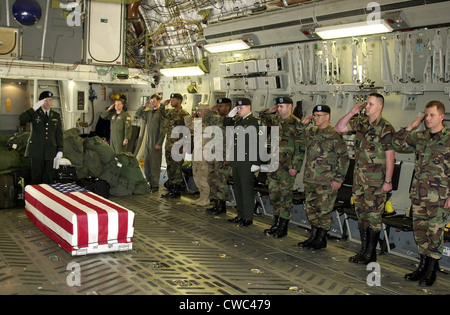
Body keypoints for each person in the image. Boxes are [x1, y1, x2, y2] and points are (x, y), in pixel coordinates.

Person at [392, 100, 450, 287]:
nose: (428, 118)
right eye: (426, 115)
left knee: (435, 233)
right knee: (420, 232)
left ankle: (432, 269)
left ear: (442, 116)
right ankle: (422, 266)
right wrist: (411, 126)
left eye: (432, 115)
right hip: (418, 194)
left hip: (439, 197)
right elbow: (397, 143)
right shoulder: (421, 136)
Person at [335, 93, 395, 264]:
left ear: (379, 107)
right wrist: (351, 113)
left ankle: (371, 253)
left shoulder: (385, 128)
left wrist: (388, 181)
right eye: (366, 104)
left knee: (374, 217)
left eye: (370, 104)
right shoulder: (361, 123)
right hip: (359, 180)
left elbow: (390, 156)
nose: (366, 107)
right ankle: (363, 250)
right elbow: (339, 128)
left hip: (375, 182)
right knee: (362, 216)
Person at [298, 105, 349, 249]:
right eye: (314, 115)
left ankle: (321, 239)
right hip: (311, 179)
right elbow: (299, 136)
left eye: (319, 115)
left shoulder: (335, 135)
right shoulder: (312, 132)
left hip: (326, 181)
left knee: (324, 210)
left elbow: (343, 159)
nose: (315, 118)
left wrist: (338, 179)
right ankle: (313, 236)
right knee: (311, 209)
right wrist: (303, 124)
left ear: (328, 116)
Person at [259, 96, 305, 238]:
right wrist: (268, 111)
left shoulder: (296, 123)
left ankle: (283, 227)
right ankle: (276, 222)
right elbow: (262, 117)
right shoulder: (275, 120)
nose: (279, 109)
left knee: (285, 197)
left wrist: (295, 166)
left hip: (286, 167)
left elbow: (300, 147)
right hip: (272, 164)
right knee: (274, 195)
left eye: (281, 106)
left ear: (289, 107)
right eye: (278, 106)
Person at [223, 98, 260, 227]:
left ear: (248, 107)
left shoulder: (254, 122)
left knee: (246, 190)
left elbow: (258, 143)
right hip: (237, 161)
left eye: (241, 108)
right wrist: (229, 116)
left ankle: (248, 217)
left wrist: (256, 162)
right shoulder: (239, 121)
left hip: (247, 162)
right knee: (238, 189)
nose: (239, 110)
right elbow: (226, 126)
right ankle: (240, 215)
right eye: (237, 108)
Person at [19, 91, 63, 184]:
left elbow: (58, 134)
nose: (48, 103)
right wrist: (33, 108)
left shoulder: (55, 115)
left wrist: (60, 150)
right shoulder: (34, 113)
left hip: (50, 152)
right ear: (41, 102)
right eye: (45, 100)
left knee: (48, 179)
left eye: (50, 100)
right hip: (36, 152)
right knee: (36, 179)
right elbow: (22, 119)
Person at [204, 98, 232, 215]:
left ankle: (221, 205)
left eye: (222, 106)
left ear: (228, 107)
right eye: (218, 105)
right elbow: (205, 119)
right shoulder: (216, 119)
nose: (219, 107)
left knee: (221, 180)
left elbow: (233, 141)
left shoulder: (231, 120)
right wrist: (211, 109)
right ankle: (216, 203)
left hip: (224, 155)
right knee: (212, 179)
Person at [160, 93, 190, 198]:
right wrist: (164, 104)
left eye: (173, 100)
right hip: (169, 145)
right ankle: (171, 188)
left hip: (178, 146)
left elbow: (188, 130)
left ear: (179, 101)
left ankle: (176, 190)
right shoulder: (170, 112)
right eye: (171, 99)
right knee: (170, 167)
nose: (171, 101)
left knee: (176, 168)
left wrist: (186, 145)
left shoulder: (184, 114)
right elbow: (161, 113)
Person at [135, 93, 166, 192]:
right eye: (151, 101)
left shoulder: (161, 114)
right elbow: (138, 114)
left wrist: (159, 143)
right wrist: (144, 106)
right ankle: (149, 182)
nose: (152, 103)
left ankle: (155, 185)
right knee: (147, 163)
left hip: (155, 141)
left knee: (154, 164)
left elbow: (163, 130)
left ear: (159, 101)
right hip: (148, 141)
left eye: (154, 101)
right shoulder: (149, 113)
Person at [185, 103, 211, 206]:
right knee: (196, 176)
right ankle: (201, 197)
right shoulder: (199, 124)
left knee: (203, 177)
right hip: (196, 153)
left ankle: (206, 199)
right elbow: (188, 125)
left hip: (205, 155)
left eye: (201, 112)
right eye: (198, 111)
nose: (199, 114)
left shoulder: (210, 125)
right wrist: (191, 116)